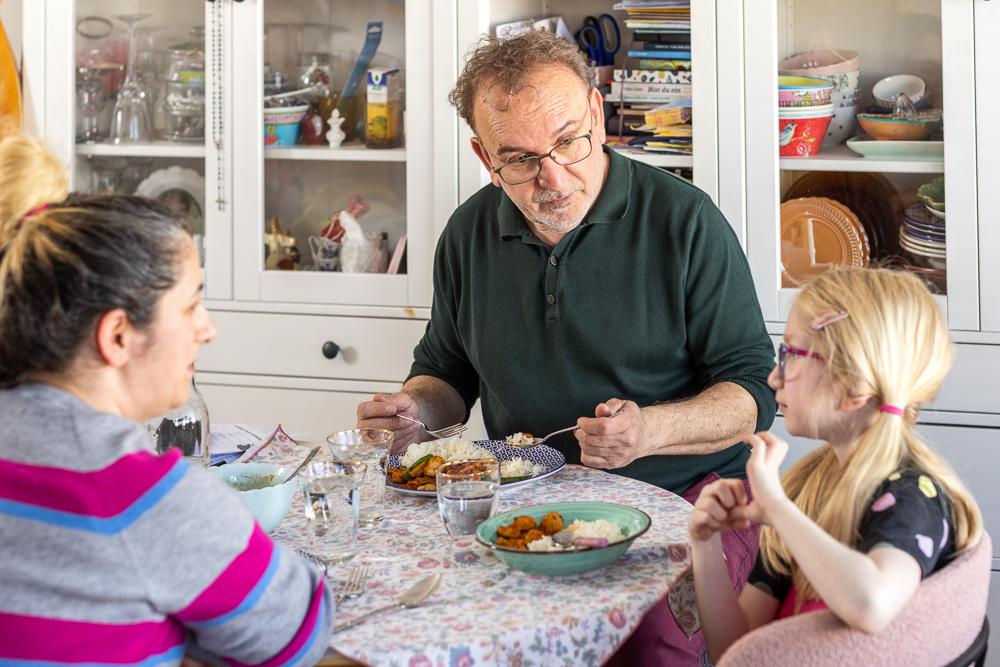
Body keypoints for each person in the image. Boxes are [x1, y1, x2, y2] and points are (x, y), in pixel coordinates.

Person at [356, 30, 776, 664]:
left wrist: (651, 431)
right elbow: (445, 374)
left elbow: (752, 394)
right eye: (520, 159)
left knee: (648, 646)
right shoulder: (468, 234)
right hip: (527, 503)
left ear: (598, 114)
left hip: (691, 497)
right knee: (461, 630)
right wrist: (414, 412)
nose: (552, 177)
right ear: (483, 155)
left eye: (568, 141)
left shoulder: (685, 221)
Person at [0, 136, 333, 665]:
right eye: (192, 305)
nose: (208, 329)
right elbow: (297, 633)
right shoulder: (147, 500)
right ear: (117, 337)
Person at [688, 267, 983, 663]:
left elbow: (871, 605)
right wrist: (704, 545)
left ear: (852, 386)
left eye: (790, 354)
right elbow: (735, 649)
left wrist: (777, 508)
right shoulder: (810, 489)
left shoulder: (913, 498)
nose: (774, 377)